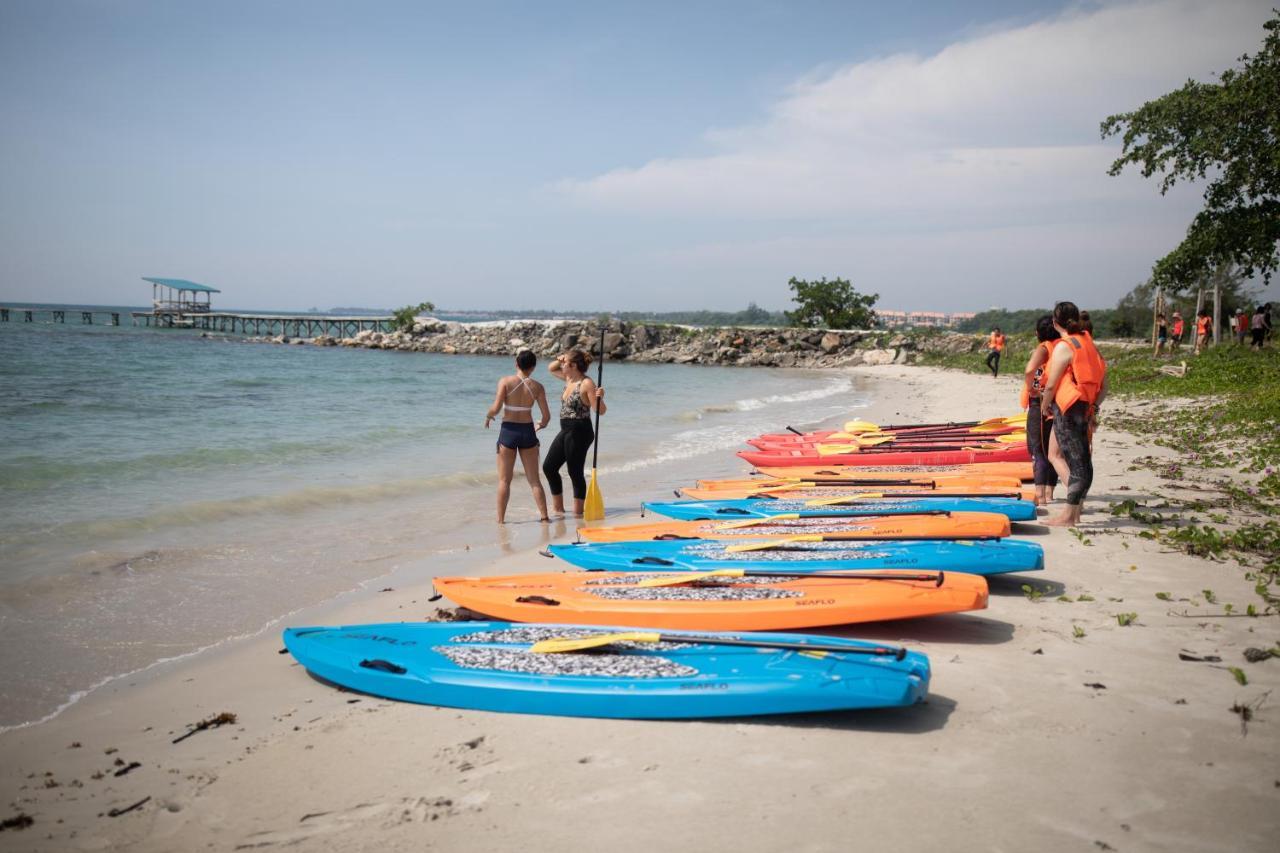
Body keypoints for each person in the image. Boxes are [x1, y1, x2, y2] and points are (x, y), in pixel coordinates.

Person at [1039, 301, 1107, 527]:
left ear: (1056, 322)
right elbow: (1104, 385)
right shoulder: (1089, 344)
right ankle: (1074, 512)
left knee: (1076, 461)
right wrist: (1094, 407)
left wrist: (1044, 405)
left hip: (1068, 408)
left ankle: (1069, 516)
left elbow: (1051, 384)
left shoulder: (1064, 346)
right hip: (1085, 406)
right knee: (1082, 460)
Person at [485, 350, 551, 524]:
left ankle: (500, 520)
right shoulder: (538, 387)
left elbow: (496, 407)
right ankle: (544, 517)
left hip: (508, 431)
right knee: (535, 480)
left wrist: (488, 415)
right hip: (527, 431)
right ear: (533, 367)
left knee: (504, 480)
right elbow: (546, 417)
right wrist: (541, 425)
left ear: (516, 363)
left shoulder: (505, 381)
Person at [543, 349, 606, 517]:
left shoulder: (586, 384)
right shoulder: (569, 378)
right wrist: (561, 357)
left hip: (580, 430)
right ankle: (558, 509)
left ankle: (578, 513)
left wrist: (600, 397)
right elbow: (551, 368)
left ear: (574, 366)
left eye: (565, 363)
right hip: (566, 429)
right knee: (549, 467)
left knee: (574, 471)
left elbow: (600, 411)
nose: (562, 365)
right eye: (563, 363)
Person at [1021, 314, 1061, 505]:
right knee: (1053, 451)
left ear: (1038, 333)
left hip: (1040, 404)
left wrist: (1031, 389)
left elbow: (1029, 371)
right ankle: (1050, 492)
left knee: (1038, 449)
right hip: (1058, 403)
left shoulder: (1044, 348)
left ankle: (1040, 495)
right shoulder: (1062, 348)